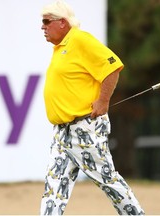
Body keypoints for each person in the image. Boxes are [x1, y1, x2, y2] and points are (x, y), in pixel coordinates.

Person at [40, 1, 145, 215]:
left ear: (62, 23)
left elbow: (112, 66)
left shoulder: (79, 40)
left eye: (46, 21)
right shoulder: (61, 48)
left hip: (84, 127)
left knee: (108, 181)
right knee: (54, 187)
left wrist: (103, 101)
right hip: (63, 132)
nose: (42, 27)